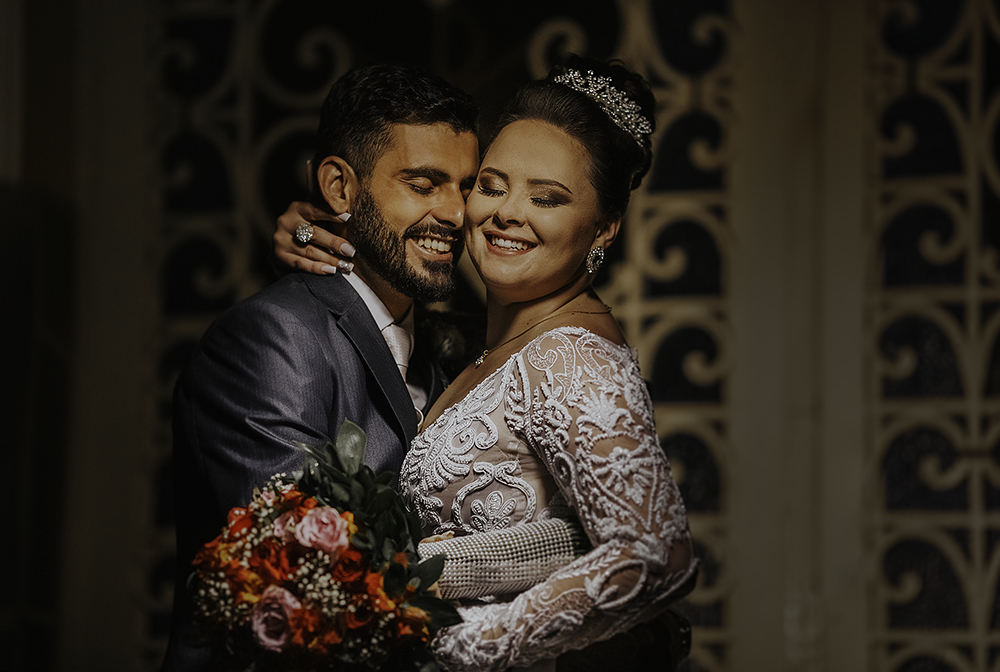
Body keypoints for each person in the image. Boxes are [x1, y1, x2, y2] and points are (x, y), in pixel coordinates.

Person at [275, 56, 697, 671]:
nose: (506, 213)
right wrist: (317, 232)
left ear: (604, 227)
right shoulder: (475, 344)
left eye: (547, 198)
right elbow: (569, 531)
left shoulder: (571, 357)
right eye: (491, 186)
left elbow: (658, 556)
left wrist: (462, 643)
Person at [166, 62, 591, 672]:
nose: (454, 213)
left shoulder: (461, 347)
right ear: (339, 189)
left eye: (467, 186)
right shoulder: (272, 338)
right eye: (423, 184)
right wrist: (543, 552)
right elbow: (315, 572)